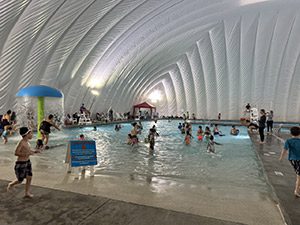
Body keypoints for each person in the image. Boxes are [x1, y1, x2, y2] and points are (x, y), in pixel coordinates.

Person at [7, 127, 40, 198]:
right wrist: (26, 154)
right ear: (26, 134)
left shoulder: (27, 142)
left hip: (27, 162)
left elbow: (27, 151)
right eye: (30, 133)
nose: (32, 134)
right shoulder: (21, 143)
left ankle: (27, 193)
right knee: (20, 180)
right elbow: (16, 153)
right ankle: (11, 184)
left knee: (29, 177)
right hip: (20, 164)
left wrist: (34, 151)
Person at [279, 126, 300, 197]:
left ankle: (298, 187)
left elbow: (284, 150)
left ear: (291, 133)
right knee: (299, 176)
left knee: (298, 174)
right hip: (298, 160)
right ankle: (296, 190)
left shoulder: (288, 141)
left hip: (292, 159)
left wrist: (281, 157)